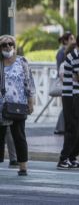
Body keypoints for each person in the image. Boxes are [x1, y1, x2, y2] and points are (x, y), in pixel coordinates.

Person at [0, 35, 35, 176]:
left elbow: (29, 82)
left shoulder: (22, 61)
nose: (8, 47)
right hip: (1, 107)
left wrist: (31, 101)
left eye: (10, 44)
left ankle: (23, 166)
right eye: (4, 45)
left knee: (19, 136)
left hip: (18, 104)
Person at [57, 32, 79, 170]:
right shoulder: (76, 57)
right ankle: (63, 158)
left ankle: (72, 157)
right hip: (71, 96)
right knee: (73, 128)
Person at [54, 31, 74, 135]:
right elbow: (61, 69)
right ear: (66, 41)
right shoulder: (62, 52)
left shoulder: (65, 51)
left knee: (66, 106)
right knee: (67, 106)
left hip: (66, 82)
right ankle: (61, 127)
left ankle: (61, 127)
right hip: (65, 82)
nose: (73, 41)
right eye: (71, 39)